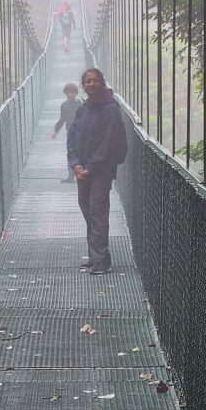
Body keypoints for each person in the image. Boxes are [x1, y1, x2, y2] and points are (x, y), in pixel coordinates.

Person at [67, 68, 128, 274]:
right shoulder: (82, 109)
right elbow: (72, 137)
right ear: (83, 85)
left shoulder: (110, 109)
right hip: (83, 168)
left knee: (97, 211)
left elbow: (108, 141)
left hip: (101, 169)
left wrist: (89, 167)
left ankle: (101, 262)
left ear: (101, 83)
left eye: (95, 81)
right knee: (86, 208)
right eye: (87, 81)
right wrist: (75, 163)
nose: (91, 84)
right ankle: (97, 257)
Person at [51, 82, 81, 183]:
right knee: (71, 154)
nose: (71, 94)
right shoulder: (64, 106)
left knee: (82, 154)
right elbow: (62, 119)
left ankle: (81, 174)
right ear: (66, 93)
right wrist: (56, 131)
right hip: (71, 134)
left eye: (73, 92)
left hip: (82, 134)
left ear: (76, 93)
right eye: (69, 92)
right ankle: (71, 177)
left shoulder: (81, 104)